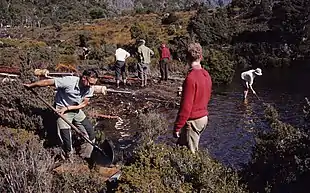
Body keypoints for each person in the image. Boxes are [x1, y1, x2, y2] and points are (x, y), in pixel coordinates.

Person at [24, 69, 101, 162]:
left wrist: (68, 108)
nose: (91, 86)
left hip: (75, 109)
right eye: (90, 83)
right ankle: (68, 158)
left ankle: (84, 156)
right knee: (66, 138)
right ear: (84, 78)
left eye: (93, 84)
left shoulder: (90, 88)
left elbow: (84, 104)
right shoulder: (69, 81)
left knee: (90, 134)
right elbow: (48, 82)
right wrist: (31, 85)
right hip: (61, 110)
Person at [173, 43, 212, 154]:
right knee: (180, 148)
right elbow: (207, 96)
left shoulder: (190, 78)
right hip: (203, 117)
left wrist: (177, 126)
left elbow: (186, 106)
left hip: (193, 120)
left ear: (187, 58)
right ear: (201, 57)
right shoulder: (206, 74)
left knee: (191, 154)